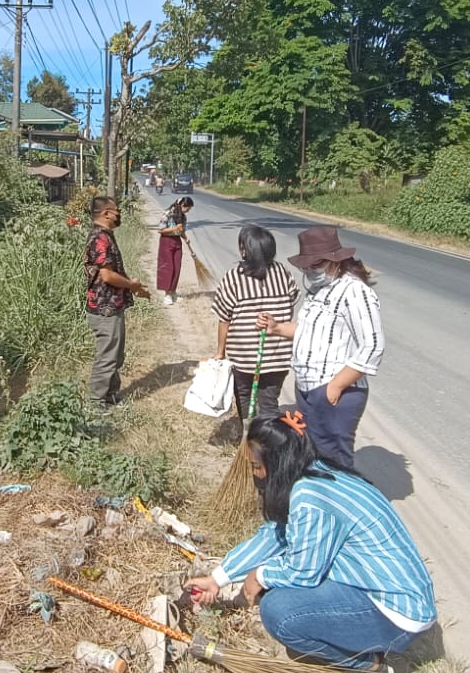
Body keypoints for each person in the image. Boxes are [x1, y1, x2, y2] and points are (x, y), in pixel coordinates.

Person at [188, 413, 434, 673]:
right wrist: (218, 578)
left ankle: (366, 663)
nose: (256, 474)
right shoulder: (316, 470)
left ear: (277, 462)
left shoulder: (310, 498)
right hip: (379, 590)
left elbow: (302, 572)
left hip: (396, 616)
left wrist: (259, 575)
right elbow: (275, 535)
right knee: (276, 587)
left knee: (279, 612)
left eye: (257, 466)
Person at [256, 226, 383, 469]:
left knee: (333, 460)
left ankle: (340, 504)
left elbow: (373, 345)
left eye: (315, 265)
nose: (309, 271)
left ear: (335, 261)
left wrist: (336, 386)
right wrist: (276, 327)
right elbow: (309, 331)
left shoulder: (354, 292)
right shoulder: (319, 291)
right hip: (308, 388)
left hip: (335, 392)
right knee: (312, 455)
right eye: (306, 266)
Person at [212, 224, 298, 423]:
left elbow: (224, 318)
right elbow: (291, 303)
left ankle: (249, 439)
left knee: (244, 399)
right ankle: (266, 440)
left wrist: (220, 351)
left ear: (245, 249)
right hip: (278, 356)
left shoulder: (234, 277)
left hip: (244, 357)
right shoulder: (283, 273)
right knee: (269, 405)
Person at [85, 195, 150, 407]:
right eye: (116, 210)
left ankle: (110, 396)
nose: (118, 213)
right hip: (104, 309)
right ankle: (95, 403)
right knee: (107, 358)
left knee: (115, 356)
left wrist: (133, 288)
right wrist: (131, 284)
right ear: (106, 213)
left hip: (112, 306)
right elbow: (107, 276)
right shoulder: (100, 238)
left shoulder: (106, 236)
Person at [155, 195, 195, 306]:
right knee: (168, 268)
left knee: (177, 267)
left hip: (177, 242)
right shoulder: (168, 213)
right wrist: (174, 229)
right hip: (166, 241)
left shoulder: (183, 217)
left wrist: (185, 237)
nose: (188, 210)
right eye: (188, 208)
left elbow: (181, 230)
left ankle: (173, 292)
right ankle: (166, 294)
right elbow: (161, 230)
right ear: (183, 205)